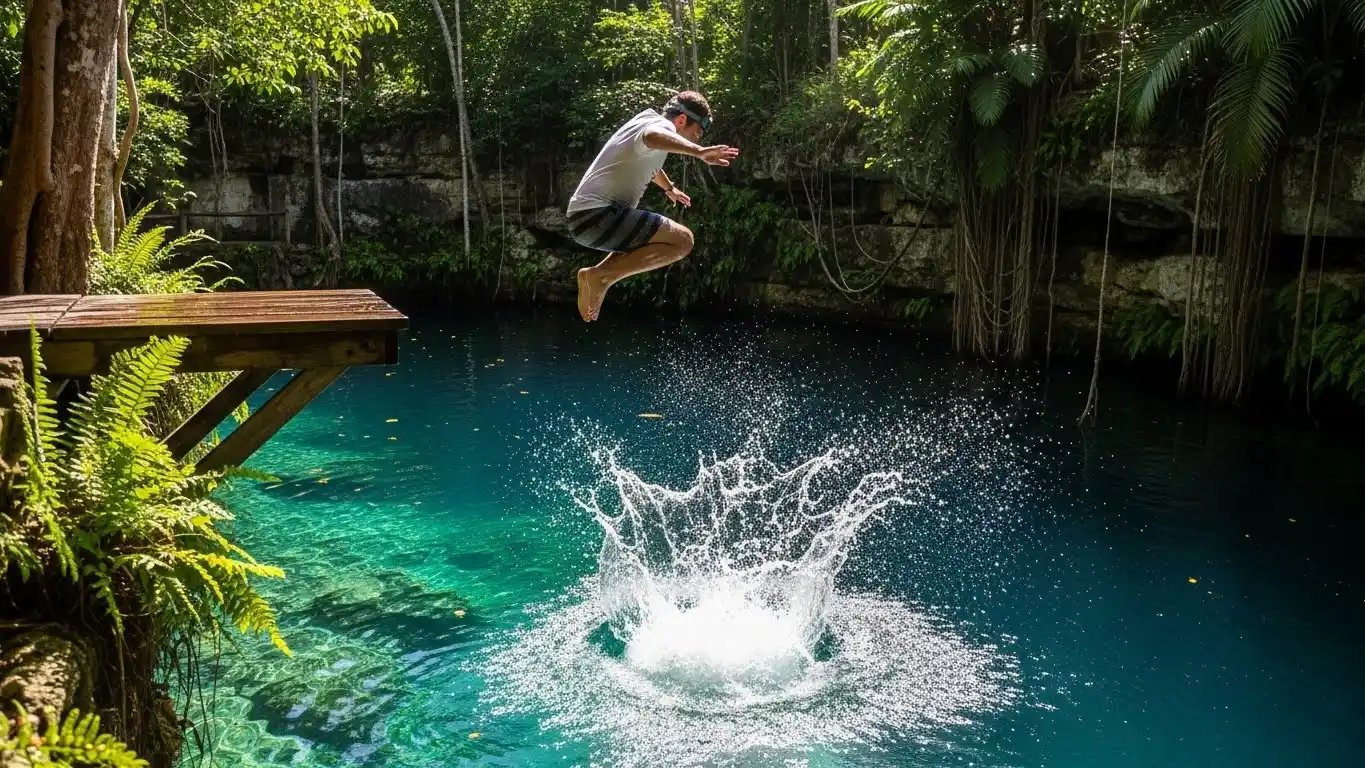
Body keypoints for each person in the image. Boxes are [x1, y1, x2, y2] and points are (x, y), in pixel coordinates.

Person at [565, 91, 739, 322]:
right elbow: (652, 136)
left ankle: (598, 276)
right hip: (600, 216)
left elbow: (649, 161)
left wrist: (669, 189)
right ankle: (601, 276)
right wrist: (699, 153)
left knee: (652, 241)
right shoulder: (658, 126)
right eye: (697, 132)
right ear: (681, 120)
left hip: (585, 220)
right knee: (682, 241)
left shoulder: (643, 120)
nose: (696, 139)